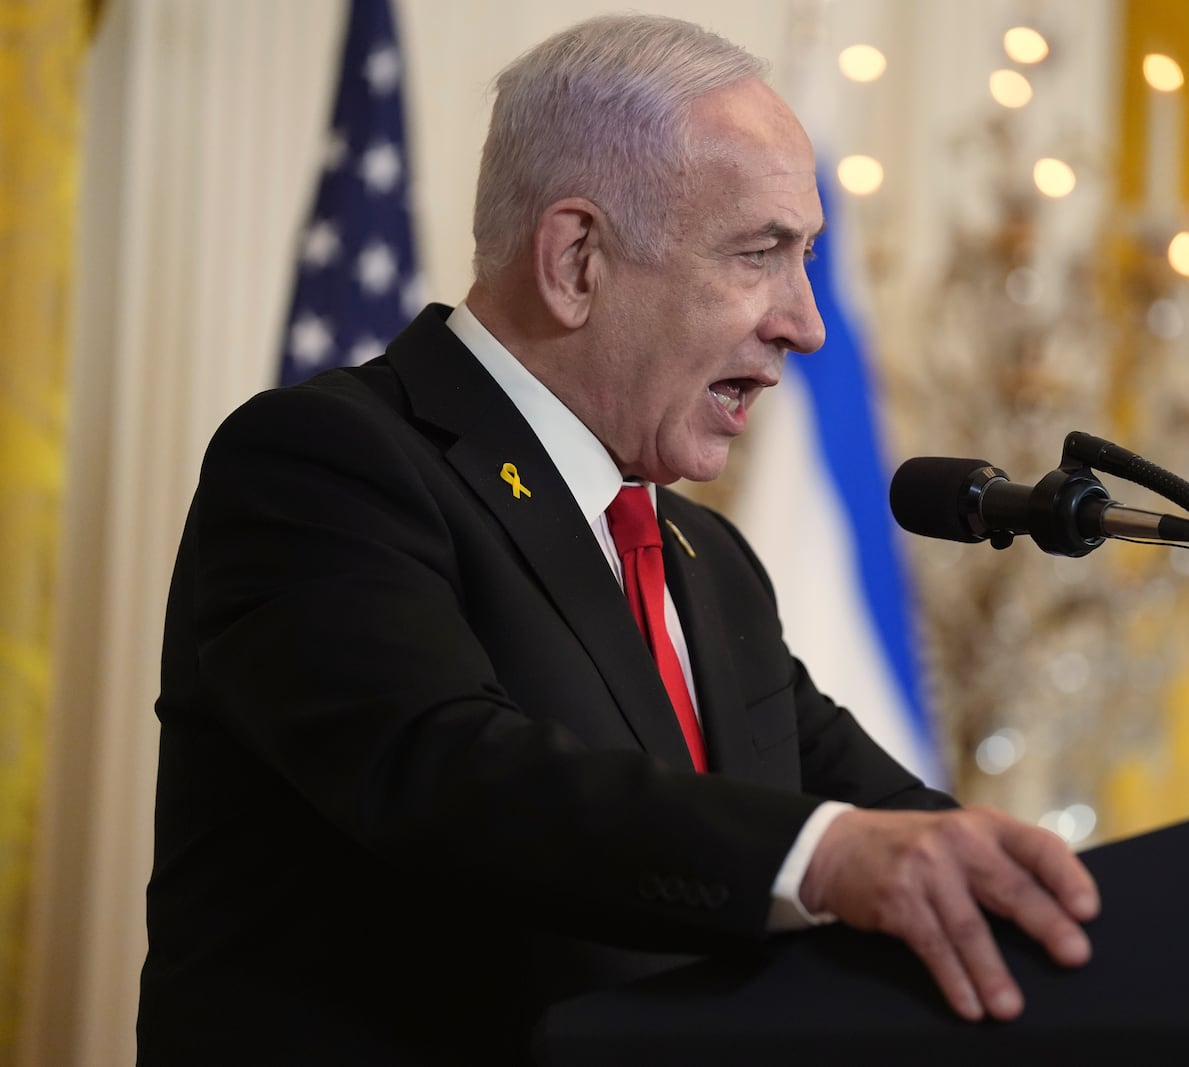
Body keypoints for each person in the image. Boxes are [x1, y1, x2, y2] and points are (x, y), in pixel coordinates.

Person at [136, 13, 1099, 1064]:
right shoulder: (327, 463)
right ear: (577, 259)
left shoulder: (708, 563)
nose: (805, 320)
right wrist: (822, 858)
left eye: (808, 257)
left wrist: (1052, 901)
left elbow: (891, 819)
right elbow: (449, 777)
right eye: (759, 253)